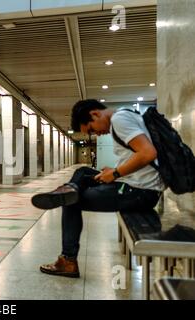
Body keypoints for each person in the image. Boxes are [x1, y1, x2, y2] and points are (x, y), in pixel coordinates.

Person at [31, 99, 165, 278]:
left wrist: (116, 173)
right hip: (136, 186)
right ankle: (70, 187)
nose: (97, 134)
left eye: (92, 129)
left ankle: (68, 261)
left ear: (95, 114)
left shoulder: (120, 120)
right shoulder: (127, 114)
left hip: (139, 192)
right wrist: (115, 171)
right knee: (83, 171)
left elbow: (148, 153)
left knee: (71, 202)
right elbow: (139, 154)